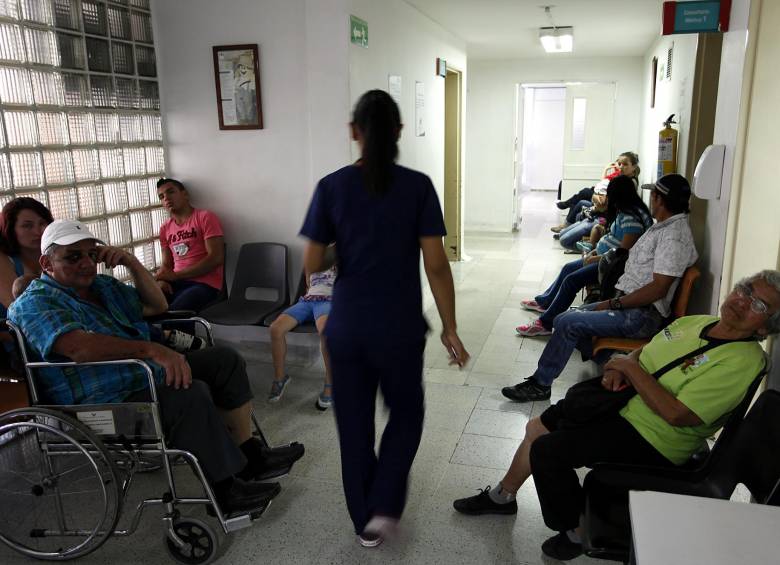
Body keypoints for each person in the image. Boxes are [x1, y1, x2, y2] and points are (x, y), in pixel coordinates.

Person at [453, 270, 780, 560]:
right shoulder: (698, 322)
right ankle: (503, 496)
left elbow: (678, 414)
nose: (742, 302)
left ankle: (577, 530)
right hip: (622, 401)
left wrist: (628, 369)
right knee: (538, 426)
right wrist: (621, 369)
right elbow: (645, 351)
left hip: (655, 436)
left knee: (548, 451)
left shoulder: (745, 360)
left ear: (766, 326)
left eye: (759, 306)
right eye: (745, 290)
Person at [9, 220, 304, 514]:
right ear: (47, 262)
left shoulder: (103, 287)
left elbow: (157, 306)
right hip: (101, 400)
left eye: (92, 254)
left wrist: (130, 262)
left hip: (141, 374)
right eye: (73, 257)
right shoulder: (35, 302)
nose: (87, 263)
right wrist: (153, 349)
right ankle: (226, 491)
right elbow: (79, 347)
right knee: (188, 393)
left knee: (224, 361)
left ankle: (250, 457)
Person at [299, 90, 470, 547]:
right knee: (407, 414)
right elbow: (436, 263)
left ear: (354, 132)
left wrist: (345, 242)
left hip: (347, 328)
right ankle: (385, 504)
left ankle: (364, 524)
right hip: (398, 328)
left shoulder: (331, 187)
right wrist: (450, 327)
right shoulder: (417, 186)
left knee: (353, 427)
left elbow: (313, 264)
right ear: (398, 132)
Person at [504, 173, 698, 402]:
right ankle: (616, 367)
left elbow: (658, 289)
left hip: (640, 315)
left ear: (658, 198)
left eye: (653, 195)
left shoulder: (673, 237)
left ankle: (541, 384)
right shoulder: (665, 227)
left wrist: (613, 303)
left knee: (568, 322)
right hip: (630, 305)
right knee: (565, 319)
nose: (651, 199)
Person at [517, 175, 653, 336]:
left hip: (612, 268)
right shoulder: (629, 210)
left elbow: (623, 256)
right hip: (603, 259)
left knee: (572, 280)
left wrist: (596, 257)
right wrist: (595, 251)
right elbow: (615, 242)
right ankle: (545, 302)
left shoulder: (632, 218)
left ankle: (545, 324)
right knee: (568, 268)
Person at [268, 256, 337, 410]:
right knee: (275, 329)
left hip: (329, 301)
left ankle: (331, 383)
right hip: (307, 301)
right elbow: (308, 284)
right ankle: (280, 378)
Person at [155, 178, 225, 312]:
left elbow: (216, 258)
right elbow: (166, 264)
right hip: (177, 283)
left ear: (185, 194)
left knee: (175, 312)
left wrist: (176, 276)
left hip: (205, 284)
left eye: (171, 192)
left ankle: (174, 333)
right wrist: (163, 281)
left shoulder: (205, 217)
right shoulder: (165, 228)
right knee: (147, 303)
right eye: (162, 196)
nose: (166, 198)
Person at [553, 152, 640, 235]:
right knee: (580, 202)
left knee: (584, 194)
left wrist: (596, 198)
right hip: (601, 205)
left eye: (625, 165)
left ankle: (567, 217)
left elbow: (606, 203)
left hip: (606, 213)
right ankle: (567, 225)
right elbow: (604, 190)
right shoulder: (620, 178)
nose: (621, 167)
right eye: (619, 164)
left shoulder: (629, 183)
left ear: (634, 167)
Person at [0, 197, 53, 318]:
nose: (38, 231)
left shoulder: (55, 253)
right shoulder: (3, 259)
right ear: (11, 229)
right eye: (27, 226)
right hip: (14, 333)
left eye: (42, 223)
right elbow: (22, 311)